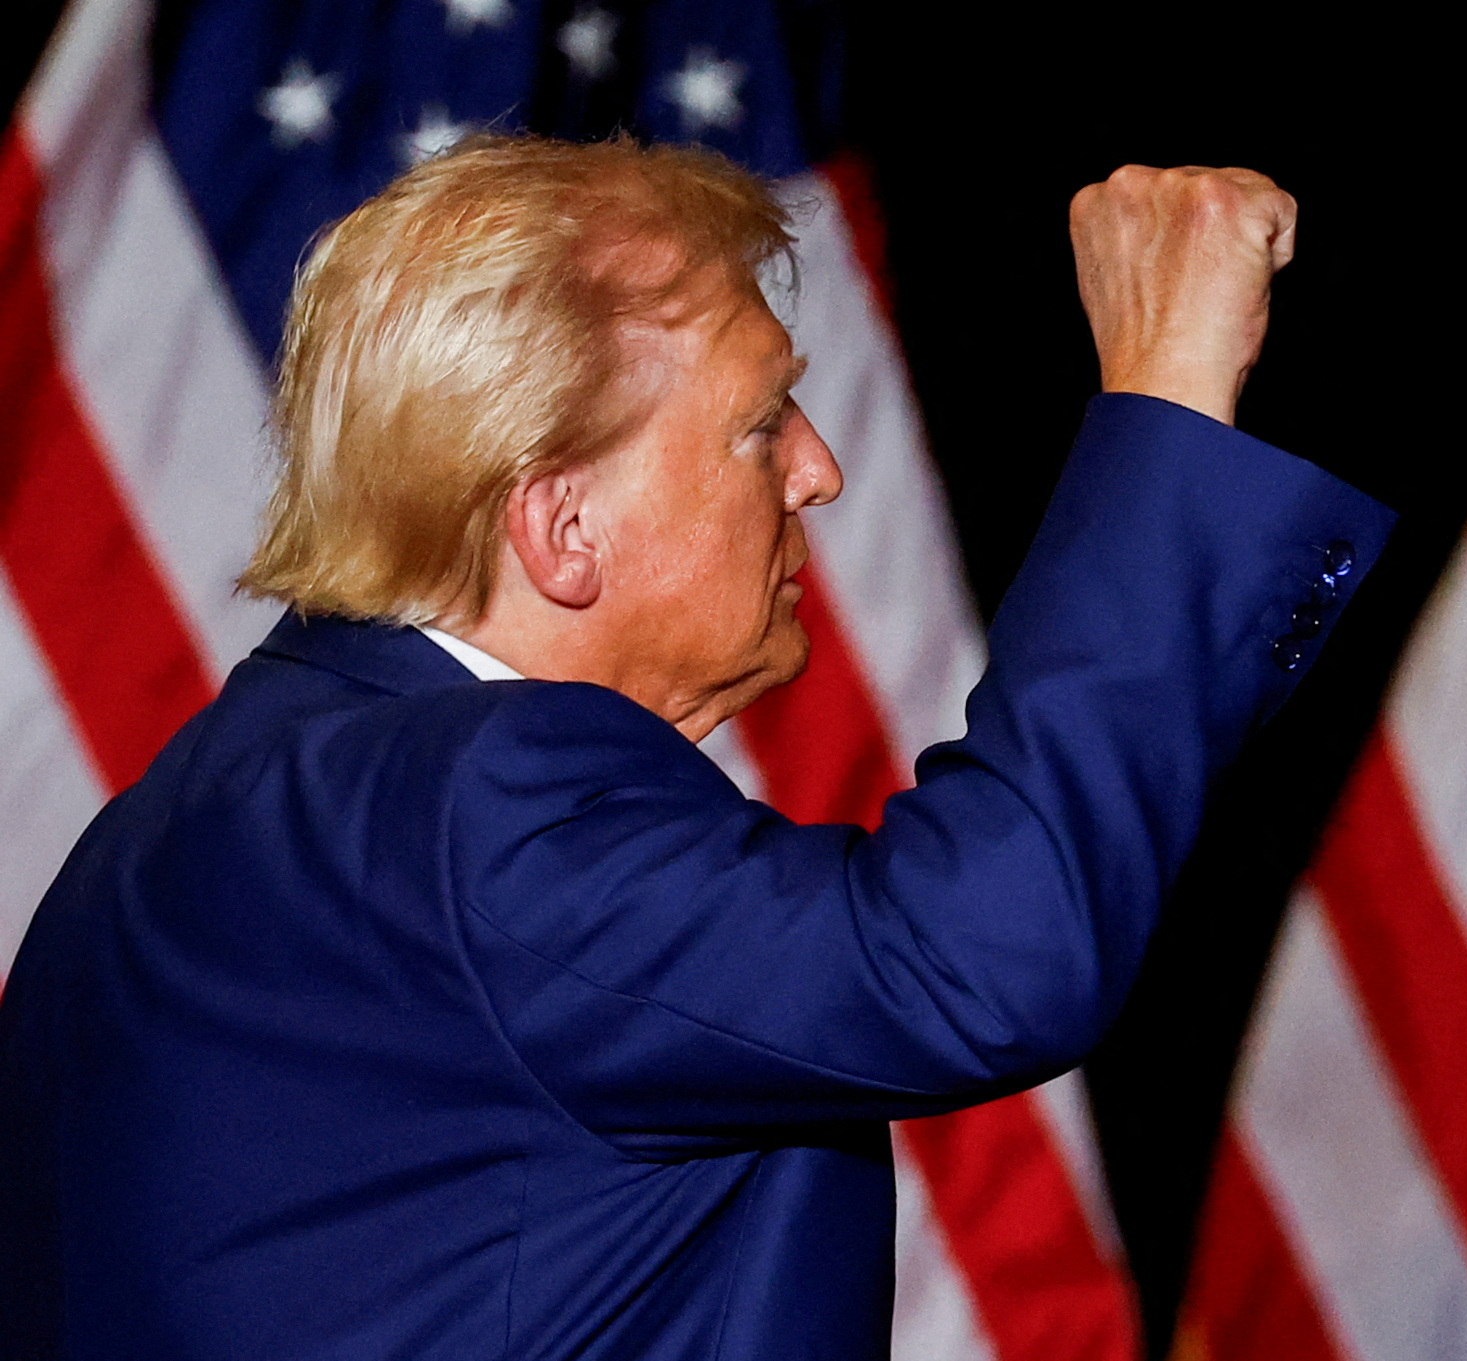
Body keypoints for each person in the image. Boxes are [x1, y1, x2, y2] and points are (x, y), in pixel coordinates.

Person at [0, 136, 1391, 1359]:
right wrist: (1164, 399)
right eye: (756, 423)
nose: (817, 469)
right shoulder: (477, 801)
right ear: (562, 529)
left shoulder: (160, 837)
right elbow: (976, 954)